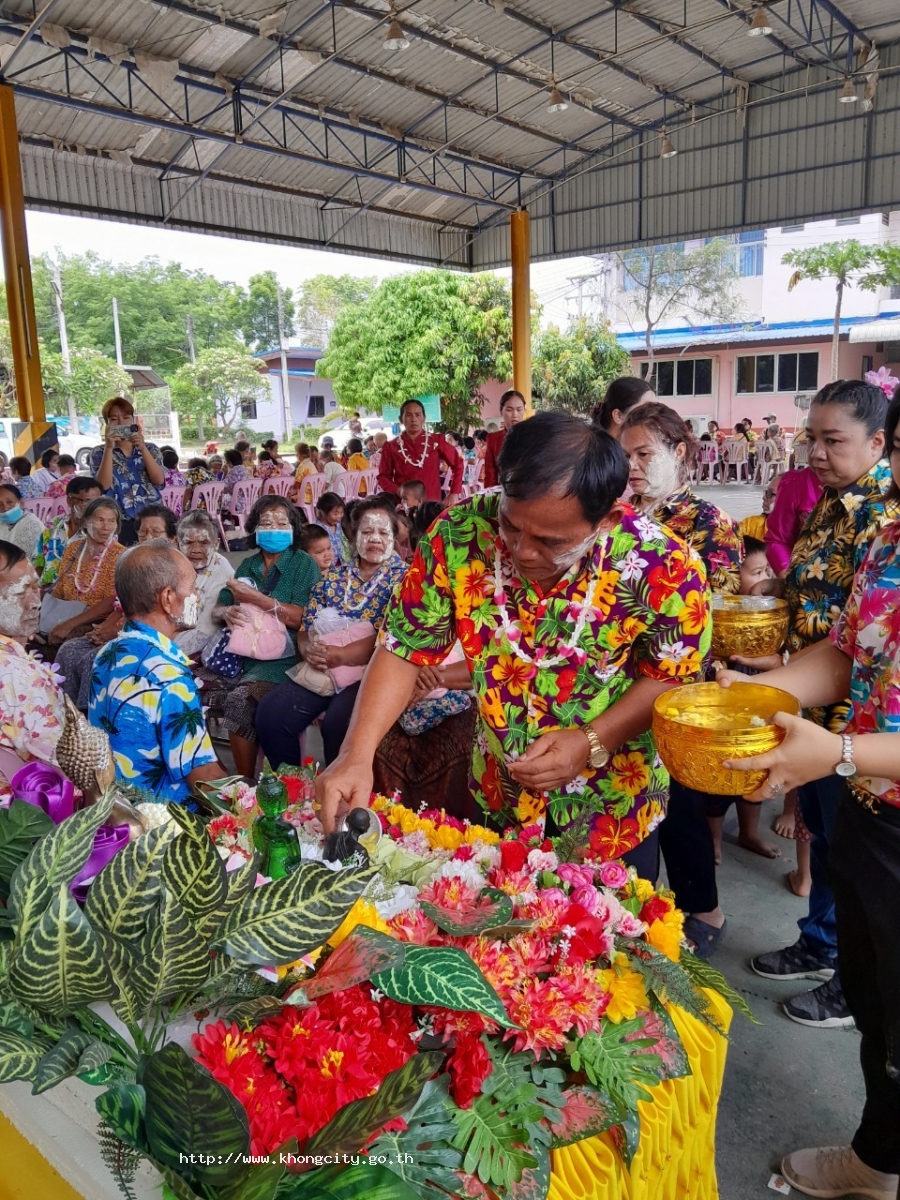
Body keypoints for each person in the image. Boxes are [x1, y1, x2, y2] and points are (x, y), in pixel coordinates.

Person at [315, 411, 711, 877]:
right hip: (496, 793)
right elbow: (404, 645)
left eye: (550, 541)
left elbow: (671, 679)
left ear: (606, 520)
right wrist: (355, 754)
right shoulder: (459, 535)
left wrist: (591, 741)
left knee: (603, 938)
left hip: (611, 808)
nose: (522, 551)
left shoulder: (666, 567)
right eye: (510, 526)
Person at [716, 395, 900, 1198]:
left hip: (865, 772)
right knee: (876, 999)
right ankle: (880, 1158)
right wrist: (763, 696)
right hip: (870, 810)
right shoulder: (889, 536)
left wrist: (847, 751)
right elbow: (847, 652)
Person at [619, 402, 742, 953]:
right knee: (629, 806)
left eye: (645, 454)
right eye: (625, 456)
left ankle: (705, 911)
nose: (634, 467)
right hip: (618, 690)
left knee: (682, 808)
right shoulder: (616, 516)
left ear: (680, 453)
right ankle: (631, 914)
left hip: (682, 688)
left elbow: (710, 614)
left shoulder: (708, 525)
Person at [256, 500, 408, 768]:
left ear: (394, 538)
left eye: (383, 533)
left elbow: (394, 636)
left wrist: (342, 654)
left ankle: (342, 802)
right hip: (324, 664)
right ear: (352, 536)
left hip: (375, 669)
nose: (374, 538)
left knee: (340, 723)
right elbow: (307, 626)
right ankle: (294, 791)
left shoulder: (406, 580)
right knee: (271, 715)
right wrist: (308, 650)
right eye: (366, 531)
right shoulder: (333, 578)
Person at [89, 545, 225, 804]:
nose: (198, 595)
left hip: (115, 809)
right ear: (168, 598)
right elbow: (202, 777)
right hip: (164, 824)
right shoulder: (169, 677)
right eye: (193, 587)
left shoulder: (106, 653)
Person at [201, 495, 320, 777]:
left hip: (283, 660)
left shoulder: (303, 565)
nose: (274, 528)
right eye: (267, 522)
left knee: (240, 701)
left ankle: (245, 783)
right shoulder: (247, 566)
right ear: (255, 528)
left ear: (293, 528)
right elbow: (219, 608)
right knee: (188, 691)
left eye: (282, 522)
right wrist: (227, 612)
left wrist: (257, 598)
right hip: (240, 656)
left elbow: (305, 618)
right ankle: (208, 772)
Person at [0, 541, 65, 771]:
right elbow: (59, 762)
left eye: (35, 588)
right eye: (20, 592)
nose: (36, 603)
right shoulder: (19, 676)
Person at [45, 497, 124, 646]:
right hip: (65, 614)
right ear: (86, 521)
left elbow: (111, 601)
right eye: (100, 520)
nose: (106, 527)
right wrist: (47, 615)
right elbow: (59, 589)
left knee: (69, 643)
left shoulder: (121, 556)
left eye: (111, 521)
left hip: (96, 620)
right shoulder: (73, 548)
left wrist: (69, 624)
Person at [90, 397, 165, 545]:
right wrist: (109, 447)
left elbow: (159, 480)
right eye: (114, 419)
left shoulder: (151, 448)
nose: (121, 423)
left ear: (133, 420)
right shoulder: (98, 452)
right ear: (107, 424)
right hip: (119, 520)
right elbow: (103, 486)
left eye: (126, 417)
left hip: (151, 518)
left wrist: (142, 447)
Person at [173, 510, 235, 659]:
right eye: (188, 542)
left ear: (216, 544)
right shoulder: (171, 563)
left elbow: (205, 631)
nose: (195, 550)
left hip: (190, 645)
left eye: (203, 542)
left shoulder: (222, 571)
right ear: (177, 543)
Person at [377, 399, 463, 504]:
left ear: (424, 418)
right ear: (401, 419)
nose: (414, 419)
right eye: (409, 415)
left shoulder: (436, 440)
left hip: (432, 505)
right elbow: (383, 477)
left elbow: (458, 464)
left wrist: (453, 494)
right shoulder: (391, 446)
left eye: (418, 415)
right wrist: (398, 491)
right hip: (403, 505)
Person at [34, 476, 102, 590]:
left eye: (97, 502)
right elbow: (38, 561)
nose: (92, 507)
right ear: (70, 500)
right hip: (46, 592)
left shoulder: (102, 532)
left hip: (79, 594)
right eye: (87, 501)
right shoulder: (53, 525)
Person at [766, 465, 824, 575]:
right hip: (802, 582)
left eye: (832, 445)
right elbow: (778, 539)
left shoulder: (865, 499)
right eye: (810, 446)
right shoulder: (796, 483)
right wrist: (787, 577)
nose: (816, 453)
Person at [484, 389, 527, 488]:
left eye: (519, 409)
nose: (515, 415)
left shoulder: (534, 436)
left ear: (524, 410)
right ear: (501, 411)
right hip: (504, 492)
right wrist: (490, 498)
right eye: (509, 410)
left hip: (529, 492)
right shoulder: (493, 439)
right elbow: (490, 475)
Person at [0, 484, 45, 560]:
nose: (5, 508)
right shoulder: (2, 522)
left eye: (9, 502)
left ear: (21, 502)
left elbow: (20, 560)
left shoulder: (31, 524)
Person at [221, 447, 254, 514]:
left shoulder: (233, 472)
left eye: (225, 461)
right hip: (251, 502)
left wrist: (225, 473)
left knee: (223, 500)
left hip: (239, 504)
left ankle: (226, 520)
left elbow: (222, 490)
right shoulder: (245, 469)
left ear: (229, 462)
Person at [316, 492, 345, 564]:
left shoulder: (339, 525)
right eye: (335, 513)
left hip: (340, 563)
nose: (339, 516)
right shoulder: (317, 529)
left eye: (341, 512)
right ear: (323, 512)